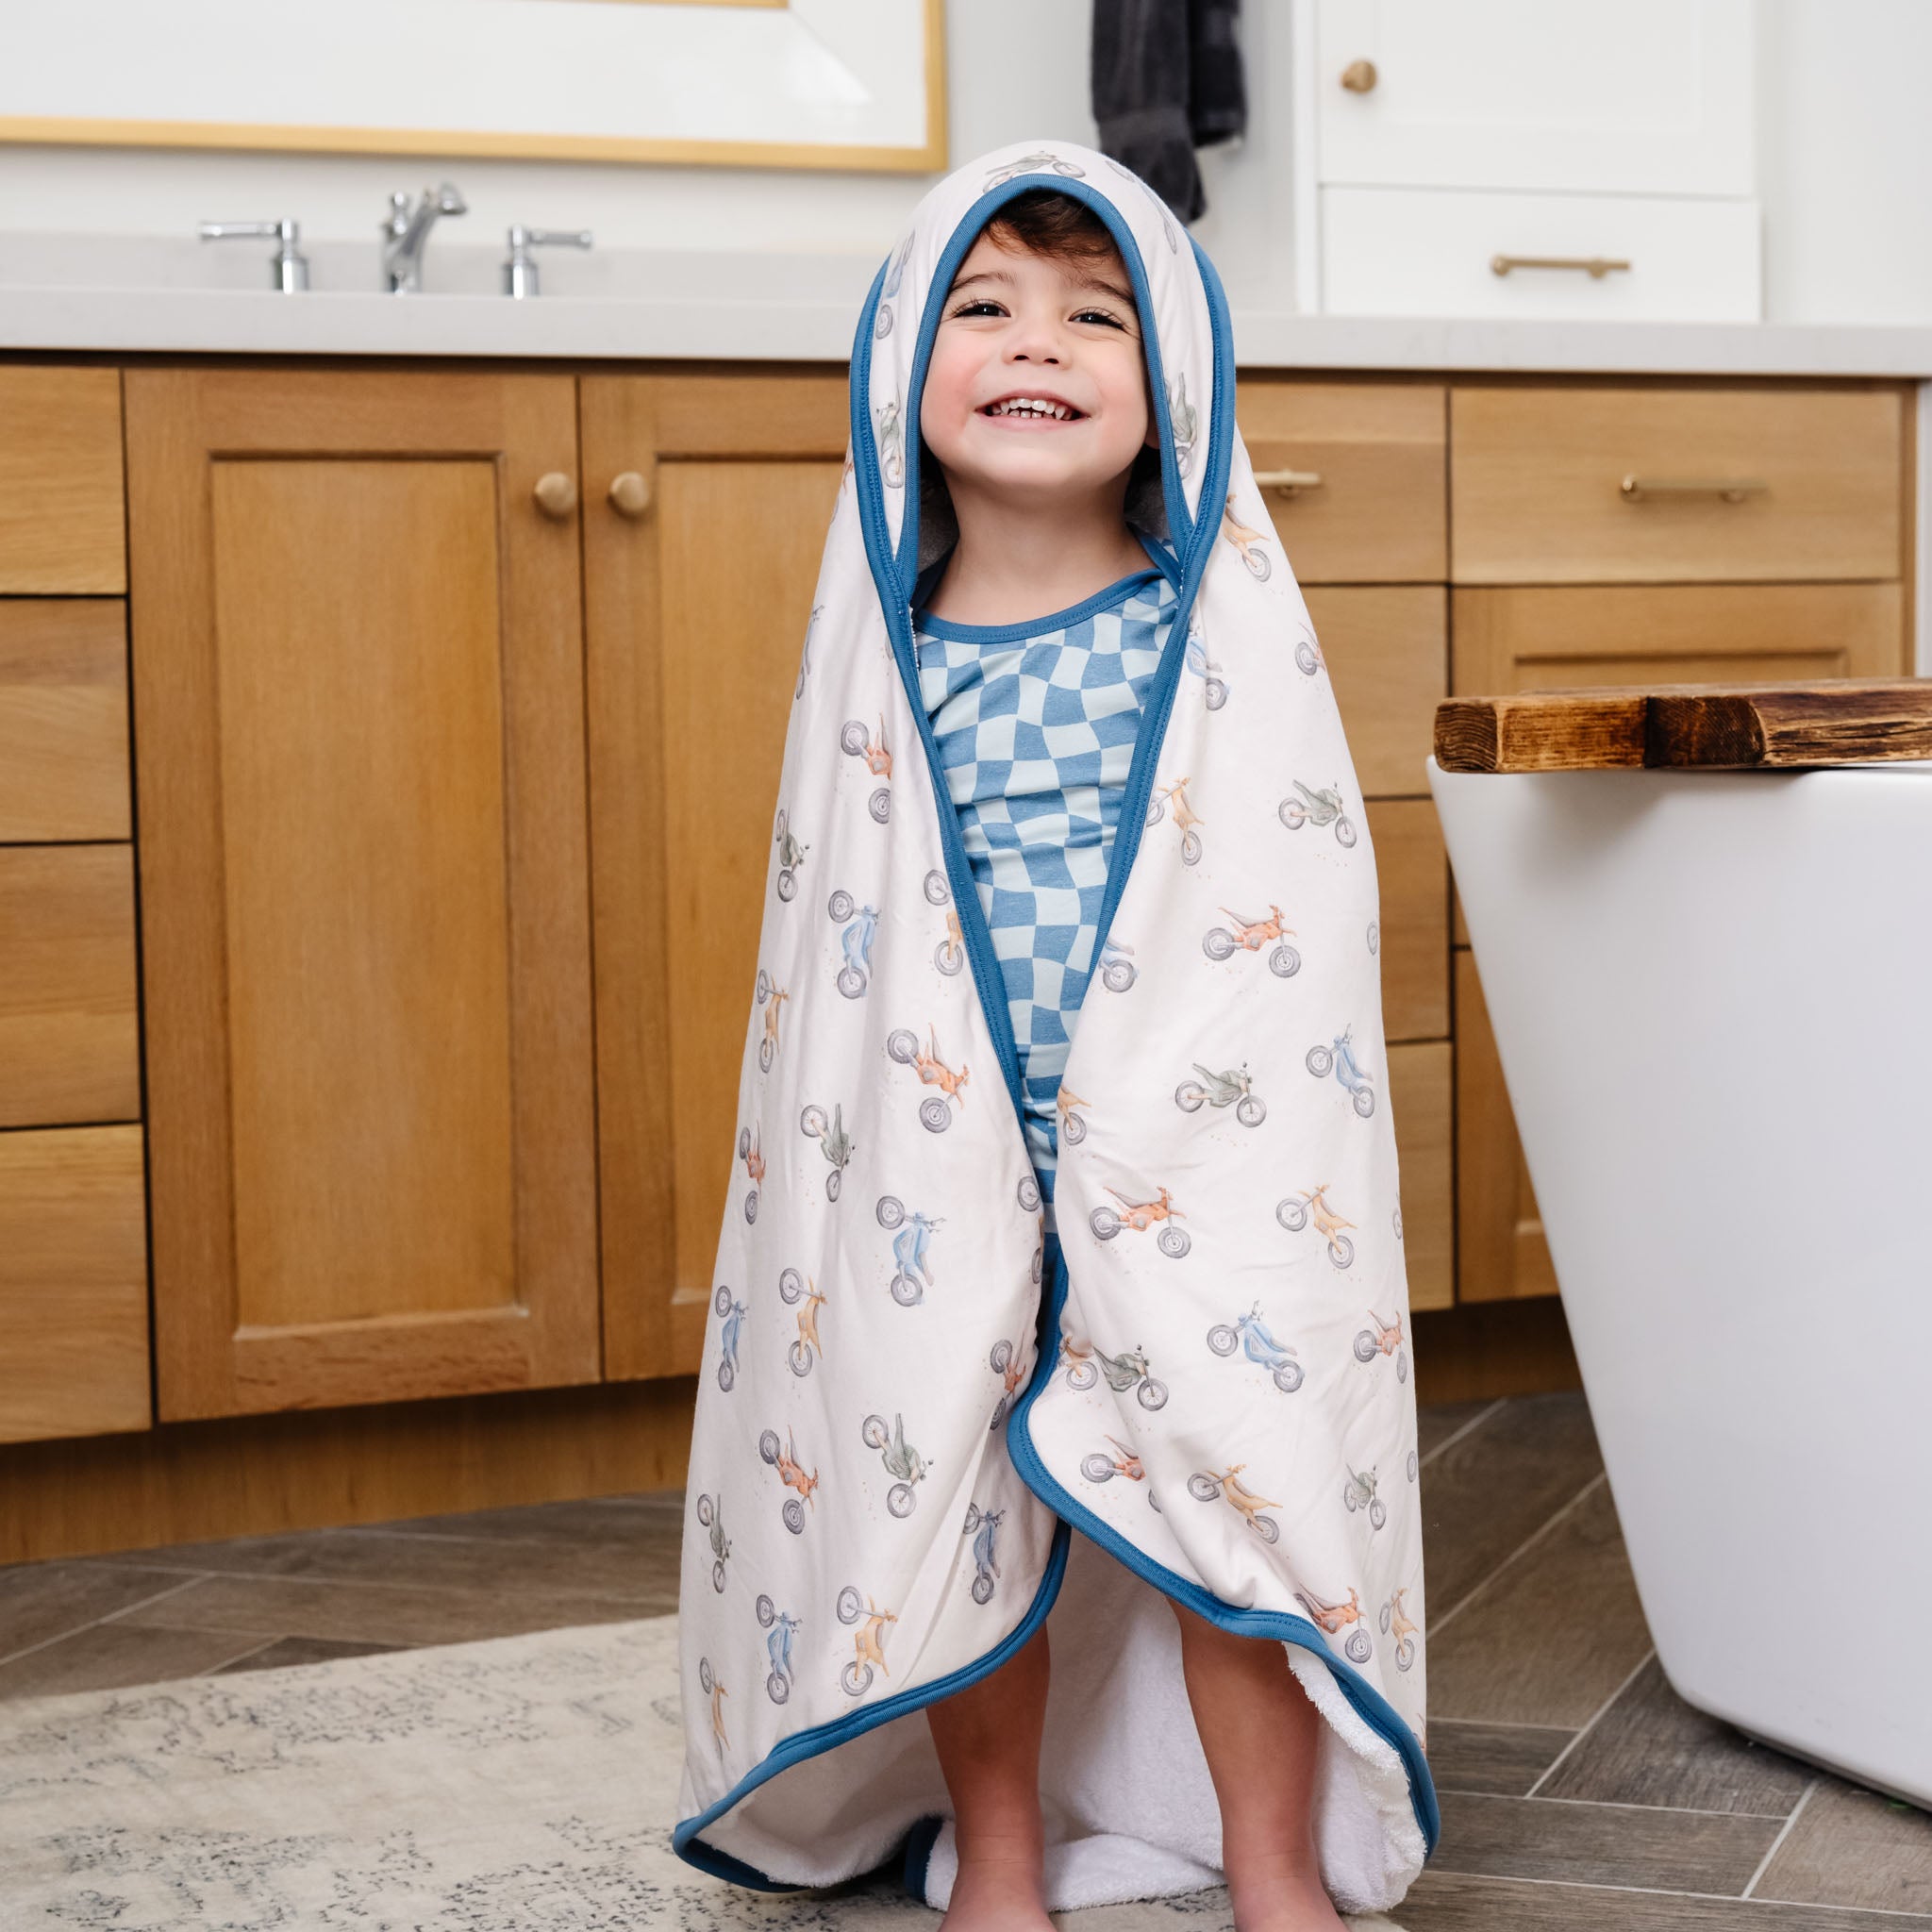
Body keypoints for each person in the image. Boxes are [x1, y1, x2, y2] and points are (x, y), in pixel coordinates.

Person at [674, 139, 1432, 1931]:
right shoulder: (882, 656)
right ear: (899, 367)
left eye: (1096, 315)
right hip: (947, 1159)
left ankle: (1277, 1871)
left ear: (1174, 382)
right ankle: (997, 1857)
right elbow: (841, 931)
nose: (1038, 343)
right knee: (950, 1497)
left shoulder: (1211, 632)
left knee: (1233, 1498)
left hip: (1195, 1154)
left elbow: (1287, 890)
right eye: (985, 306)